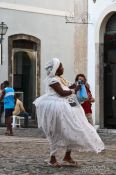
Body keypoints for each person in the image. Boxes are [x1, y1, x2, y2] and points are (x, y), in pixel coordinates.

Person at [33, 58, 104, 168]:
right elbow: (61, 92)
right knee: (57, 133)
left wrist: (76, 85)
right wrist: (74, 90)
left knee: (72, 131)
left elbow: (67, 87)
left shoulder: (60, 79)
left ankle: (67, 156)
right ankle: (52, 159)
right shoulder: (52, 80)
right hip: (58, 108)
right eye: (61, 66)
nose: (63, 68)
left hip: (68, 106)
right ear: (56, 69)